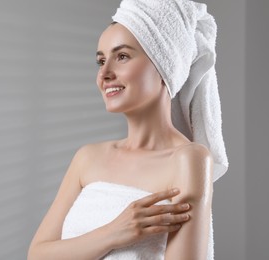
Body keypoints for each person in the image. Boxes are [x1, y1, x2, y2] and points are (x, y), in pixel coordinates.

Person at [28, 0, 228, 259]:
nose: (104, 74)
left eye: (122, 56)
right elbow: (38, 254)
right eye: (101, 61)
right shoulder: (87, 158)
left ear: (164, 64)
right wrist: (114, 232)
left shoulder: (188, 160)